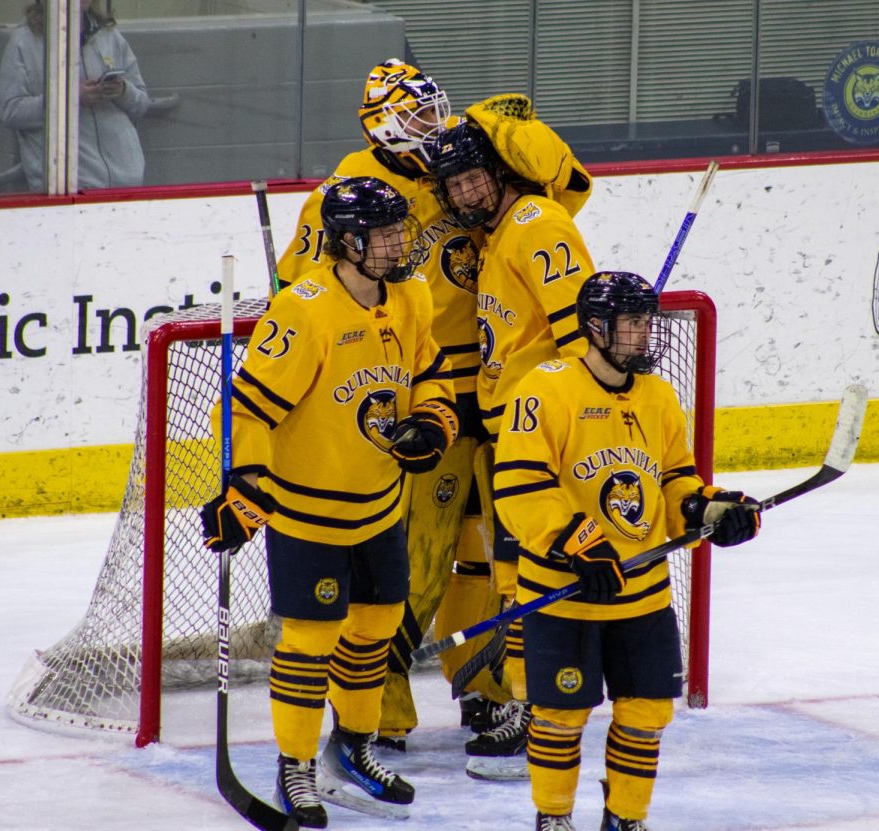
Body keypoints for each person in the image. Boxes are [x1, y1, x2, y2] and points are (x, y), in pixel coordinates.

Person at [200, 176, 459, 827]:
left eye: (403, 228)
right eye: (387, 232)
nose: (403, 241)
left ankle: (354, 746)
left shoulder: (411, 294)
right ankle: (295, 763)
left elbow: (430, 372)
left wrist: (431, 422)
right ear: (348, 241)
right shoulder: (306, 309)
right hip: (309, 514)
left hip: (380, 506)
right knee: (312, 640)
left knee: (375, 630)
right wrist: (245, 488)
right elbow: (244, 409)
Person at [274, 59, 511, 749]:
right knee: (413, 563)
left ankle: (482, 687)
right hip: (414, 396)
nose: (431, 129)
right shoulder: (348, 191)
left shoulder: (463, 172)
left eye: (434, 112)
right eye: (414, 119)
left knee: (483, 555)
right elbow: (304, 288)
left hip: (491, 394)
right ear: (379, 126)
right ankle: (382, 710)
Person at [492, 271, 762, 831]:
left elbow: (675, 483)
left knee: (647, 714)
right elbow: (519, 487)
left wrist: (712, 510)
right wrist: (579, 545)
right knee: (561, 717)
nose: (646, 335)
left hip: (642, 595)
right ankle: (555, 820)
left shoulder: (659, 397)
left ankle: (626, 818)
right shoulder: (544, 389)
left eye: (647, 322)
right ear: (596, 327)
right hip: (562, 596)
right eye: (633, 324)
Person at [426, 95, 595, 780]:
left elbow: (579, 326)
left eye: (475, 176)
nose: (466, 192)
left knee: (535, 577)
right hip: (508, 439)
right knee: (515, 578)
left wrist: (576, 424)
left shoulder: (537, 221)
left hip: (542, 441)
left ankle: (543, 713)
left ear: (502, 172)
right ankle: (533, 705)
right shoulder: (497, 236)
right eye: (454, 185)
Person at [0, 0, 148, 191]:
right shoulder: (24, 42)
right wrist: (69, 99)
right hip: (68, 188)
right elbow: (11, 112)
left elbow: (142, 104)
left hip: (127, 182)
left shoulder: (109, 35)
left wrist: (123, 91)